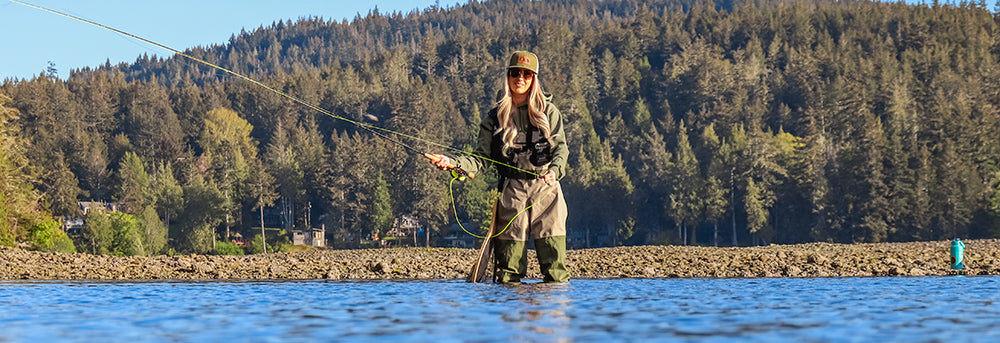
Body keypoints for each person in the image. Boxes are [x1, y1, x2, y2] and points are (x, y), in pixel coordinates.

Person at [428, 51, 569, 283]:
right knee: (508, 272)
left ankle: (550, 316)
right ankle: (511, 315)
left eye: (526, 74)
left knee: (555, 269)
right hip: (512, 193)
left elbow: (561, 149)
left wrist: (556, 170)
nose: (520, 78)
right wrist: (452, 163)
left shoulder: (549, 112)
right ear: (508, 76)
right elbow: (480, 159)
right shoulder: (494, 119)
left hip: (547, 191)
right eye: (515, 73)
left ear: (534, 79)